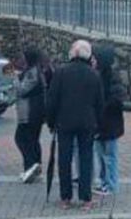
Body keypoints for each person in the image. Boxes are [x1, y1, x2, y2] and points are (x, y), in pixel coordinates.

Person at [45, 39, 105, 210]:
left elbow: (52, 100)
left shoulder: (61, 72)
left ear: (72, 53)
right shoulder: (94, 74)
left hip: (64, 122)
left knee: (64, 159)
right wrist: (99, 124)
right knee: (86, 159)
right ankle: (86, 198)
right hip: (87, 123)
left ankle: (65, 198)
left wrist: (51, 122)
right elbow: (100, 103)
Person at [92, 43, 126, 196]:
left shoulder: (112, 78)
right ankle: (104, 181)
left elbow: (116, 100)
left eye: (95, 58)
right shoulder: (99, 75)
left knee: (109, 156)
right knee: (101, 155)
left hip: (109, 124)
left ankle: (111, 184)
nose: (92, 61)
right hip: (102, 124)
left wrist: (101, 107)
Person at [13, 46, 46, 184]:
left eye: (24, 57)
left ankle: (31, 167)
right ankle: (34, 168)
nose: (22, 59)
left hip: (30, 112)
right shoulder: (34, 71)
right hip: (35, 112)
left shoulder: (33, 73)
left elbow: (22, 90)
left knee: (22, 139)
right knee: (32, 140)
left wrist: (14, 77)